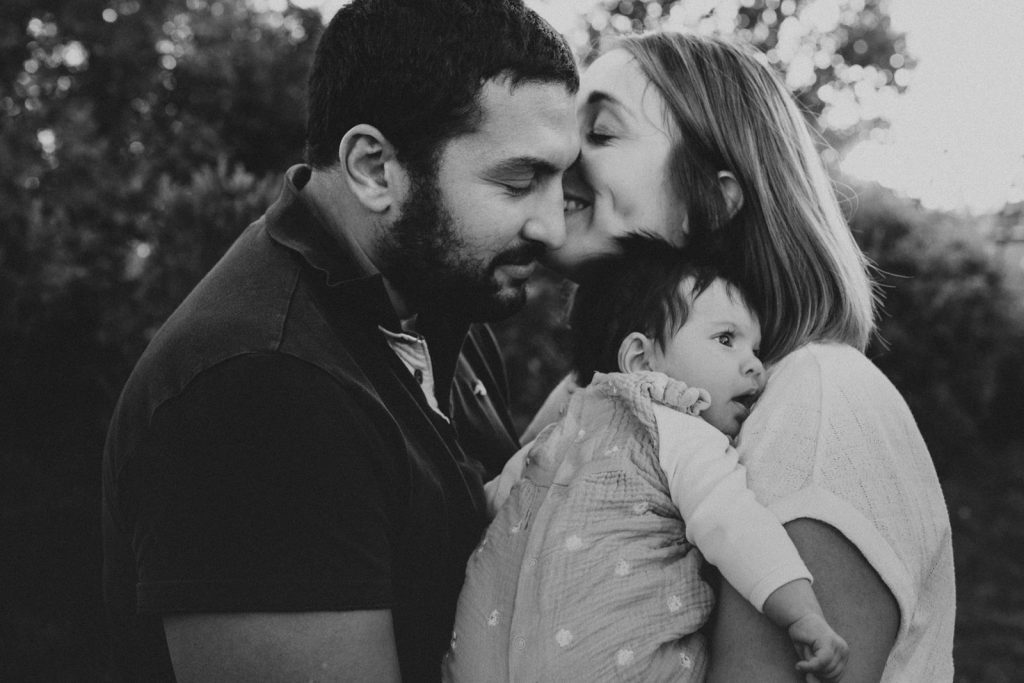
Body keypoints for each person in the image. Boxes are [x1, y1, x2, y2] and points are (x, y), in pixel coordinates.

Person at [100, 0, 579, 680]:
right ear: (374, 168)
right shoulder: (260, 386)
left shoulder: (441, 308)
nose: (553, 228)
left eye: (565, 182)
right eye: (520, 181)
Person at [527, 32, 955, 681]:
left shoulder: (818, 404)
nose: (561, 151)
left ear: (716, 197)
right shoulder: (596, 395)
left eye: (603, 131)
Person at [444, 235, 849, 682]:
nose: (755, 365)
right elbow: (735, 526)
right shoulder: (672, 426)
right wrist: (801, 612)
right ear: (641, 358)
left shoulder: (588, 434)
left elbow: (733, 521)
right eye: (727, 339)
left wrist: (798, 610)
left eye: (756, 348)